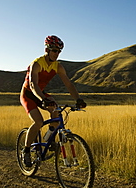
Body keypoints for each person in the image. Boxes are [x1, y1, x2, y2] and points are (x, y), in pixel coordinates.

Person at [20, 35, 87, 167]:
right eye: (54, 50)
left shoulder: (58, 67)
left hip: (42, 94)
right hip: (29, 94)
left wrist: (78, 99)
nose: (57, 54)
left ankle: (48, 139)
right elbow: (33, 85)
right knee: (38, 121)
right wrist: (43, 99)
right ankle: (26, 150)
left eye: (59, 51)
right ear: (47, 49)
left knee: (56, 114)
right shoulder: (37, 64)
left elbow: (69, 85)